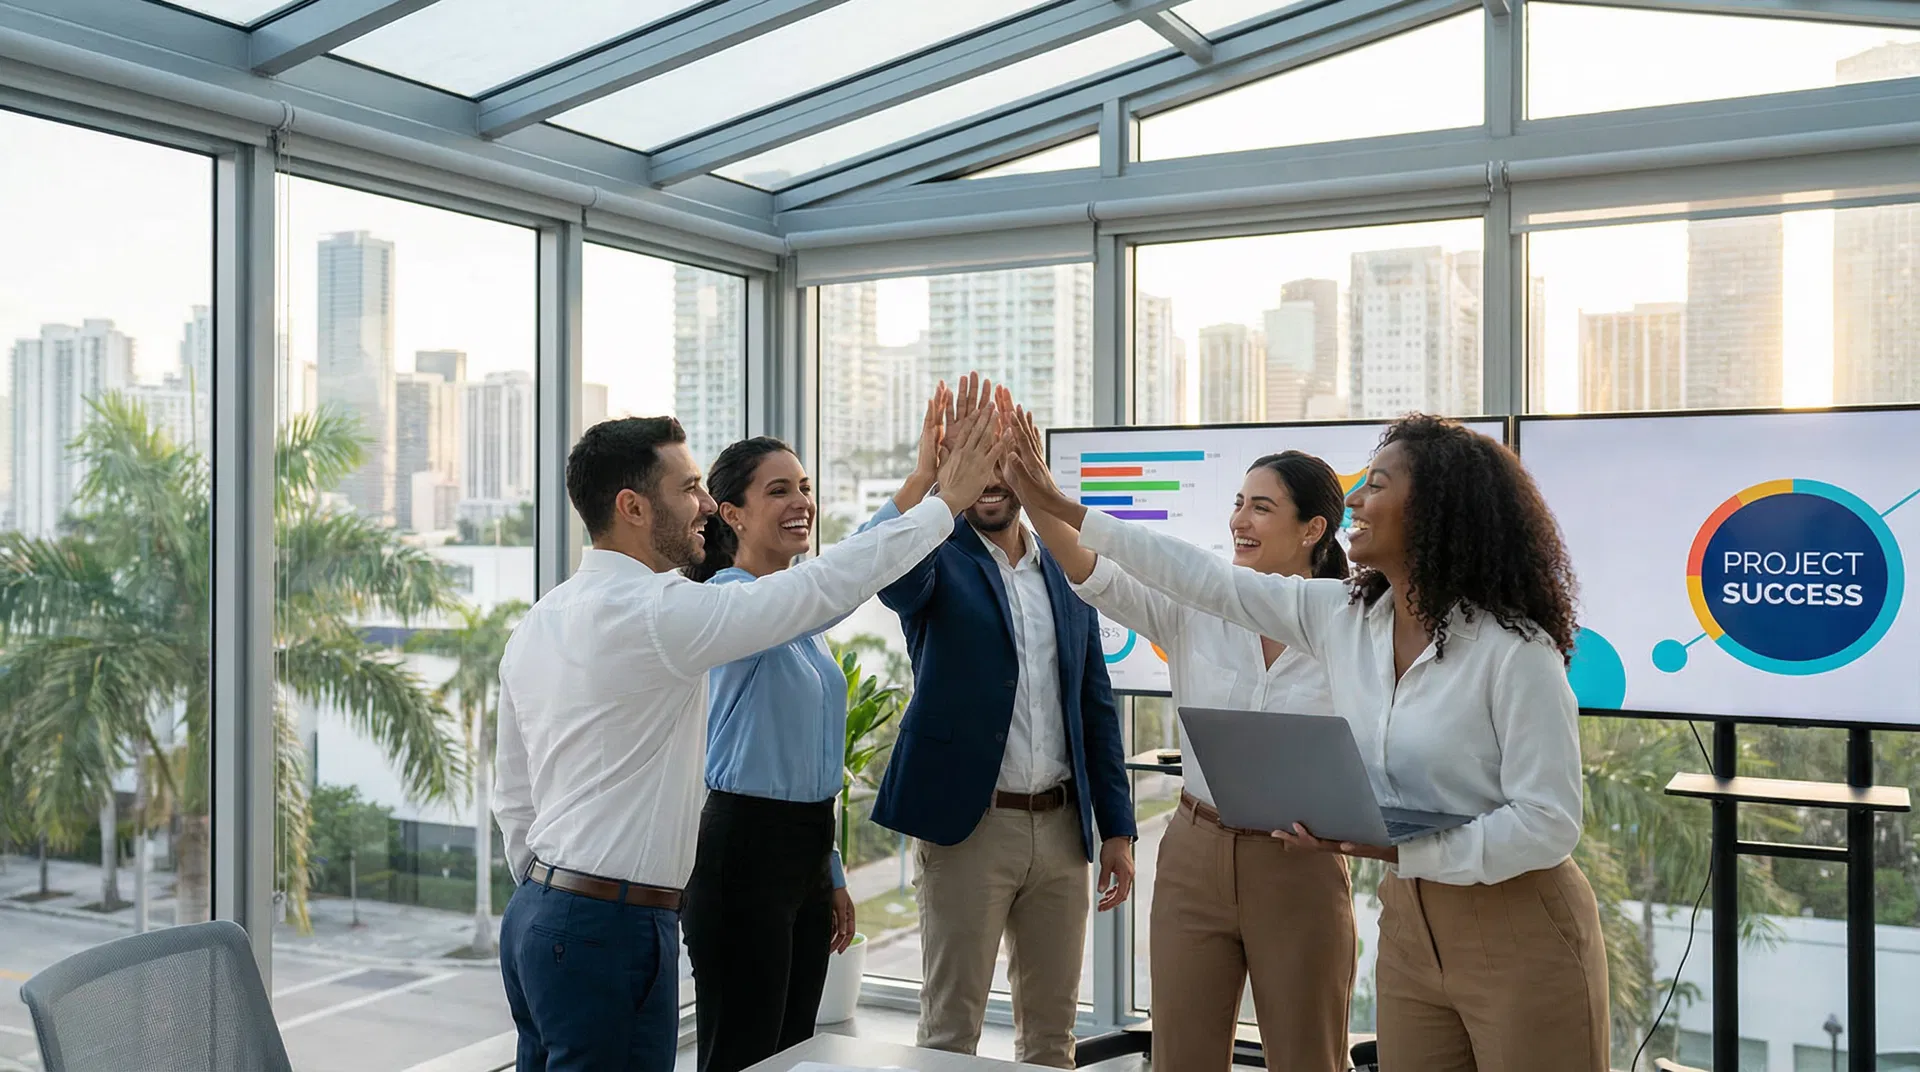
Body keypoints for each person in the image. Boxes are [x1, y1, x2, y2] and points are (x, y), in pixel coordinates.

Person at [1004, 413, 1607, 1072]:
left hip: (1514, 914)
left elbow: (1549, 821)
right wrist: (1055, 504)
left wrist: (1401, 845)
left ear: (1436, 511)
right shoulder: (1346, 621)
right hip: (1408, 913)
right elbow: (1197, 578)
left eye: (1377, 484)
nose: (1358, 499)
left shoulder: (1515, 652)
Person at [493, 387, 1006, 1072]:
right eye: (691, 488)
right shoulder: (662, 614)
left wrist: (545, 886)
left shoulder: (545, 615)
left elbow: (512, 792)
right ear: (633, 507)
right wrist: (942, 504)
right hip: (610, 925)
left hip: (544, 914)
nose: (704, 504)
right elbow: (819, 588)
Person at [1002, 404, 1356, 1070]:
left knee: (1309, 1057)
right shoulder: (1195, 608)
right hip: (1196, 852)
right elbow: (1089, 569)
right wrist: (1032, 493)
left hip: (1300, 864)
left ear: (1314, 528)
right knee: (1182, 1057)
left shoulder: (1352, 625)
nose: (1238, 520)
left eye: (1261, 508)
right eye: (1237, 503)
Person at [854, 377, 1137, 1069]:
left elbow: (1094, 705)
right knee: (952, 1033)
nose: (988, 476)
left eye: (1002, 454)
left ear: (1027, 464)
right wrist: (926, 484)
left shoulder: (1066, 568)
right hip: (969, 832)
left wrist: (1120, 830)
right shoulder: (932, 556)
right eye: (970, 456)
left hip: (1063, 834)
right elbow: (878, 574)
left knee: (1051, 1040)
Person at [681, 386, 949, 1072]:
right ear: (733, 514)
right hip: (741, 850)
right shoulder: (730, 602)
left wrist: (826, 867)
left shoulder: (801, 616)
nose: (801, 500)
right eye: (779, 490)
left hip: (799, 847)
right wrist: (933, 495)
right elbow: (846, 575)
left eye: (805, 485)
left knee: (792, 1049)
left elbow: (809, 761)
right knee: (741, 1053)